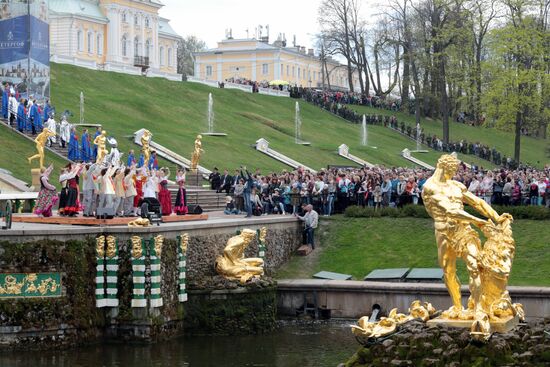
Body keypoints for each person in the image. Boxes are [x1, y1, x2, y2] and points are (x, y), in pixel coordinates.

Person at [422, 153, 506, 320]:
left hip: (464, 231)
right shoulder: (430, 187)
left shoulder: (456, 186)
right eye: (452, 170)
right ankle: (457, 306)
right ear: (444, 167)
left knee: (475, 265)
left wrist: (497, 217)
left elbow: (478, 202)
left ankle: (478, 309)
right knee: (449, 271)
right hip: (444, 232)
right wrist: (478, 221)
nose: (454, 174)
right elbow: (450, 211)